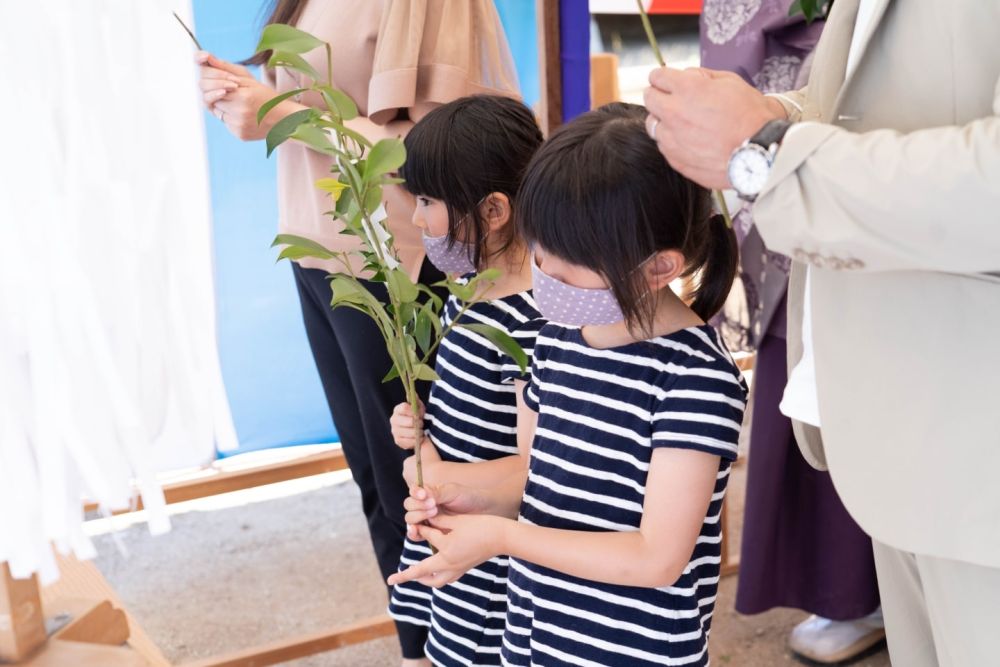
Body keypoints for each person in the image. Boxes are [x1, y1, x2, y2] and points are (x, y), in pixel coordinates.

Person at [645, 1, 1000, 664]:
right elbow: (886, 94)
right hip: (905, 426)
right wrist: (772, 116)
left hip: (980, 440)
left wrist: (768, 156)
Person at [195, 2, 519, 664]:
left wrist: (280, 114)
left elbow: (446, 153)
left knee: (427, 481)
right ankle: (420, 650)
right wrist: (253, 98)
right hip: (322, 254)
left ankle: (464, 648)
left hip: (396, 260)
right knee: (380, 477)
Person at [389, 103, 748, 666]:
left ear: (658, 268)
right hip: (535, 633)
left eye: (564, 266)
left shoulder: (696, 380)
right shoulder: (559, 337)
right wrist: (468, 502)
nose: (542, 277)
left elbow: (656, 558)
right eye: (537, 253)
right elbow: (537, 475)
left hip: (630, 648)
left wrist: (503, 539)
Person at [699, 3, 883, 662]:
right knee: (796, 375)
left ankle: (854, 588)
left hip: (850, 144)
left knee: (847, 352)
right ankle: (840, 588)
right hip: (790, 130)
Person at [383, 94, 545, 666]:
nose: (419, 218)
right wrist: (421, 427)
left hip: (494, 551)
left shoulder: (532, 321)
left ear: (494, 210)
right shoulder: (469, 289)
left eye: (427, 201)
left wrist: (443, 474)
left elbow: (539, 466)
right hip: (452, 523)